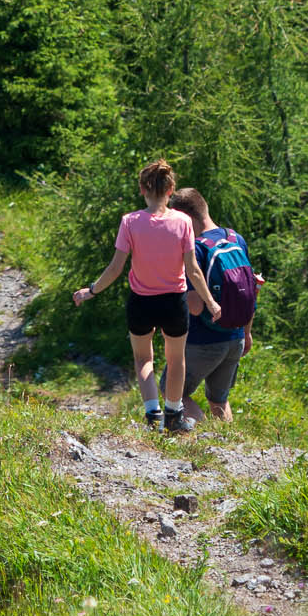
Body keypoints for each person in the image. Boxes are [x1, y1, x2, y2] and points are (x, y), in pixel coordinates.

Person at [73, 158, 219, 431]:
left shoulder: (130, 222)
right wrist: (211, 302)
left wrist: (91, 291)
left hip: (141, 303)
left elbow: (116, 268)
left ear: (142, 189)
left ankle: (153, 415)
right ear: (171, 189)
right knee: (177, 359)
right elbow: (193, 270)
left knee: (143, 359)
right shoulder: (183, 222)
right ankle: (174, 415)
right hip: (174, 302)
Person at [166, 186, 259, 425]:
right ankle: (225, 446)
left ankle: (199, 435)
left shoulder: (195, 249)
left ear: (186, 217)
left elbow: (196, 307)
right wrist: (247, 334)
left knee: (172, 389)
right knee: (219, 400)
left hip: (205, 340)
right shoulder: (235, 238)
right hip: (236, 338)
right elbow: (249, 291)